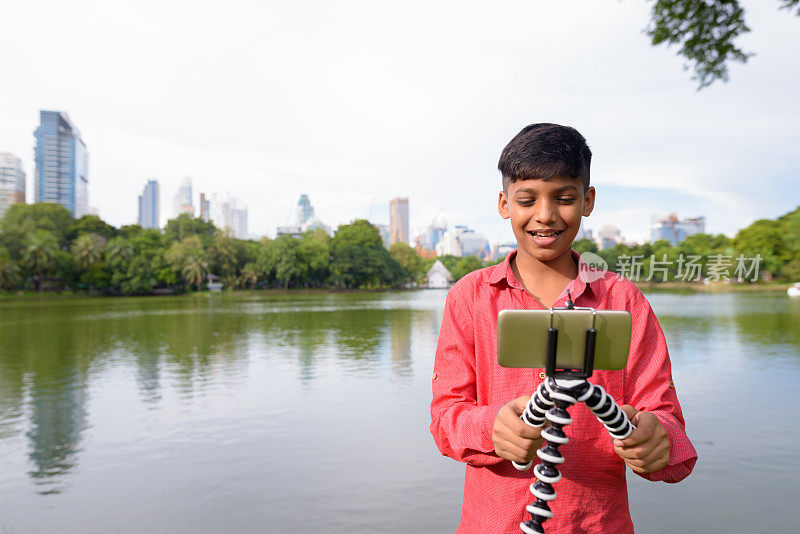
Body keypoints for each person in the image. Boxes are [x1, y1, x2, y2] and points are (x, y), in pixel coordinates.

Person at [429, 123, 697, 533]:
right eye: (526, 199)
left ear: (588, 201)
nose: (545, 215)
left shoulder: (624, 301)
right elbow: (446, 416)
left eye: (565, 198)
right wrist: (491, 428)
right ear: (504, 204)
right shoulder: (470, 297)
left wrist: (656, 438)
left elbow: (666, 421)